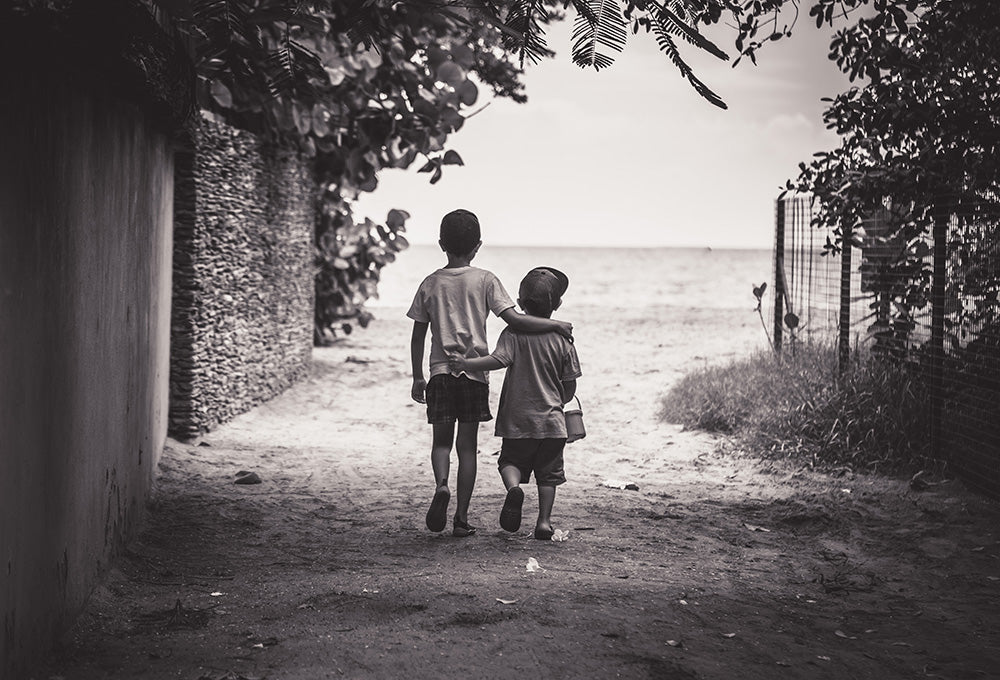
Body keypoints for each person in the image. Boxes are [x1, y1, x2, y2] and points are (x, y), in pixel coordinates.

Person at [408, 210, 573, 538]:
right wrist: (555, 324)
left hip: (440, 374)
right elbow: (516, 320)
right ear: (478, 246)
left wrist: (418, 377)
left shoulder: (429, 283)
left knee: (441, 443)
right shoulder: (485, 280)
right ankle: (461, 519)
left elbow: (418, 336)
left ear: (441, 244)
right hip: (473, 377)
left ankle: (442, 485)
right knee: (467, 447)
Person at [447, 266, 581, 540]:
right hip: (552, 422)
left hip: (517, 419)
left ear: (519, 303)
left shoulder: (513, 333)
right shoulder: (563, 339)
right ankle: (543, 522)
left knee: (509, 462)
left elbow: (498, 360)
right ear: (557, 305)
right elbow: (570, 383)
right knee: (548, 475)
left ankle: (514, 489)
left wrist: (466, 363)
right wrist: (562, 400)